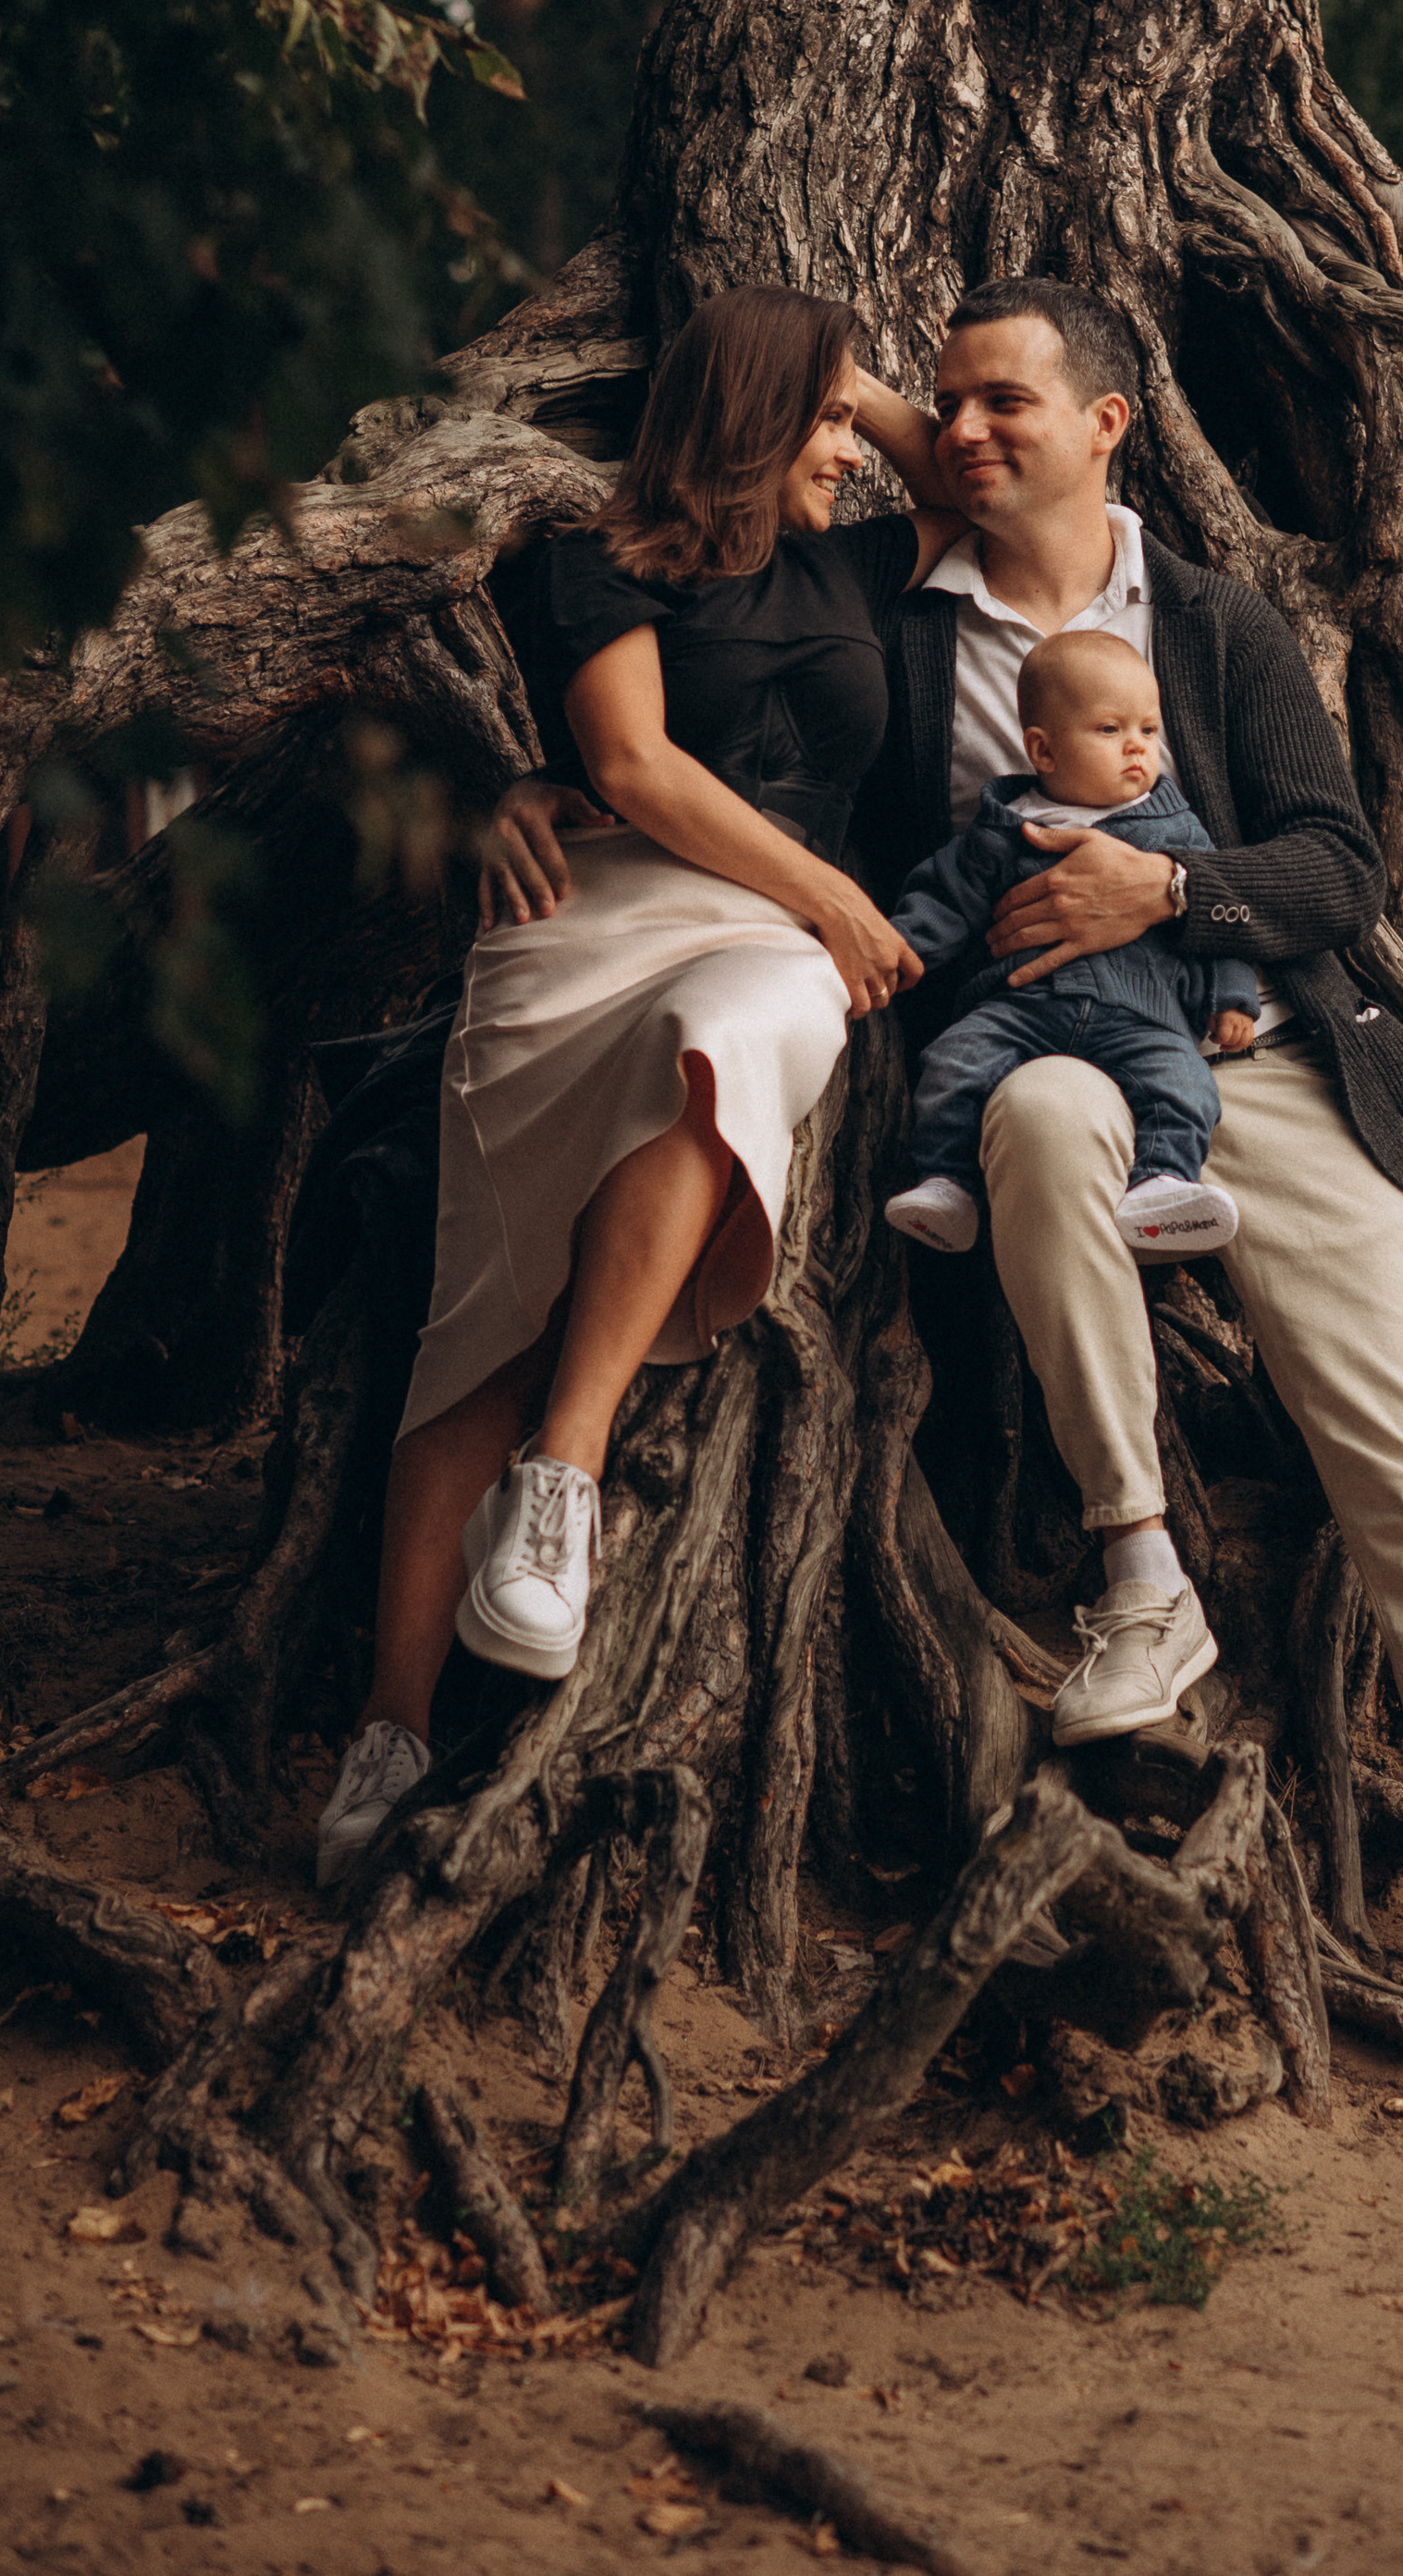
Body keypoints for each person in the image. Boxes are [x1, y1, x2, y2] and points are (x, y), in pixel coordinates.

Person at [485, 274, 1403, 2045]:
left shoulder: (1217, 625)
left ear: (1109, 427)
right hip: (1039, 1062)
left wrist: (1170, 887)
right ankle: (1137, 1578)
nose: (968, 427)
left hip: (1263, 1065)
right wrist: (526, 785)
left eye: (1014, 400)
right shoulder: (872, 600)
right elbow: (681, 693)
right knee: (1032, 1115)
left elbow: (1339, 864)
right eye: (948, 404)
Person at [314, 284, 966, 1888]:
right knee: (477, 1318)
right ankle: (386, 1731)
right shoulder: (590, 555)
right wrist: (836, 896)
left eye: (850, 428)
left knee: (731, 1041)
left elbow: (992, 495)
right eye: (815, 423)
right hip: (584, 923)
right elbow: (631, 768)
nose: (849, 453)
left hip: (766, 943)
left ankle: (567, 1475)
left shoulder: (864, 562)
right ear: (744, 421)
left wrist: (853, 384)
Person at [881, 627, 1256, 1269]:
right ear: (1043, 750)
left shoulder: (1176, 831)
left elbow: (1217, 928)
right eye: (1109, 730)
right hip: (1018, 1008)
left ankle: (1162, 1183)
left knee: (1183, 1083)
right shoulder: (1003, 829)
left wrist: (1230, 997)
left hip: (1143, 1017)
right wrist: (901, 953)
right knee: (953, 1063)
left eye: (1147, 729)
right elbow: (943, 898)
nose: (1136, 747)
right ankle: (948, 1185)